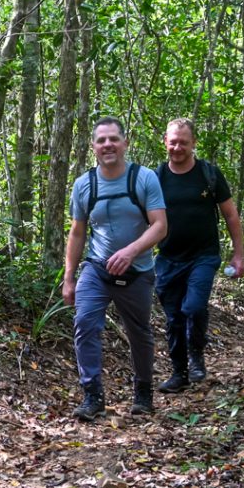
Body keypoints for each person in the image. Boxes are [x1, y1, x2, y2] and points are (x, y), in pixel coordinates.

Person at [62, 117, 168, 420]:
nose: (107, 145)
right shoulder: (84, 185)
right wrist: (69, 277)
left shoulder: (144, 178)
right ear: (94, 147)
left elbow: (160, 225)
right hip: (97, 268)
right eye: (101, 140)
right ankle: (92, 395)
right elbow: (78, 232)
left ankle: (143, 392)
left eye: (113, 139)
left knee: (139, 332)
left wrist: (131, 251)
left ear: (124, 143)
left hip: (137, 271)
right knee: (85, 324)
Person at [154, 118, 244, 394]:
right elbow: (143, 218)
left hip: (203, 256)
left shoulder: (210, 174)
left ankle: (196, 355)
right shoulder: (156, 177)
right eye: (173, 142)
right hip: (168, 258)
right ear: (165, 142)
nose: (178, 147)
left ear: (194, 143)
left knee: (193, 307)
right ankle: (178, 372)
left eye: (184, 142)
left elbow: (230, 215)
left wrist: (238, 254)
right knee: (173, 318)